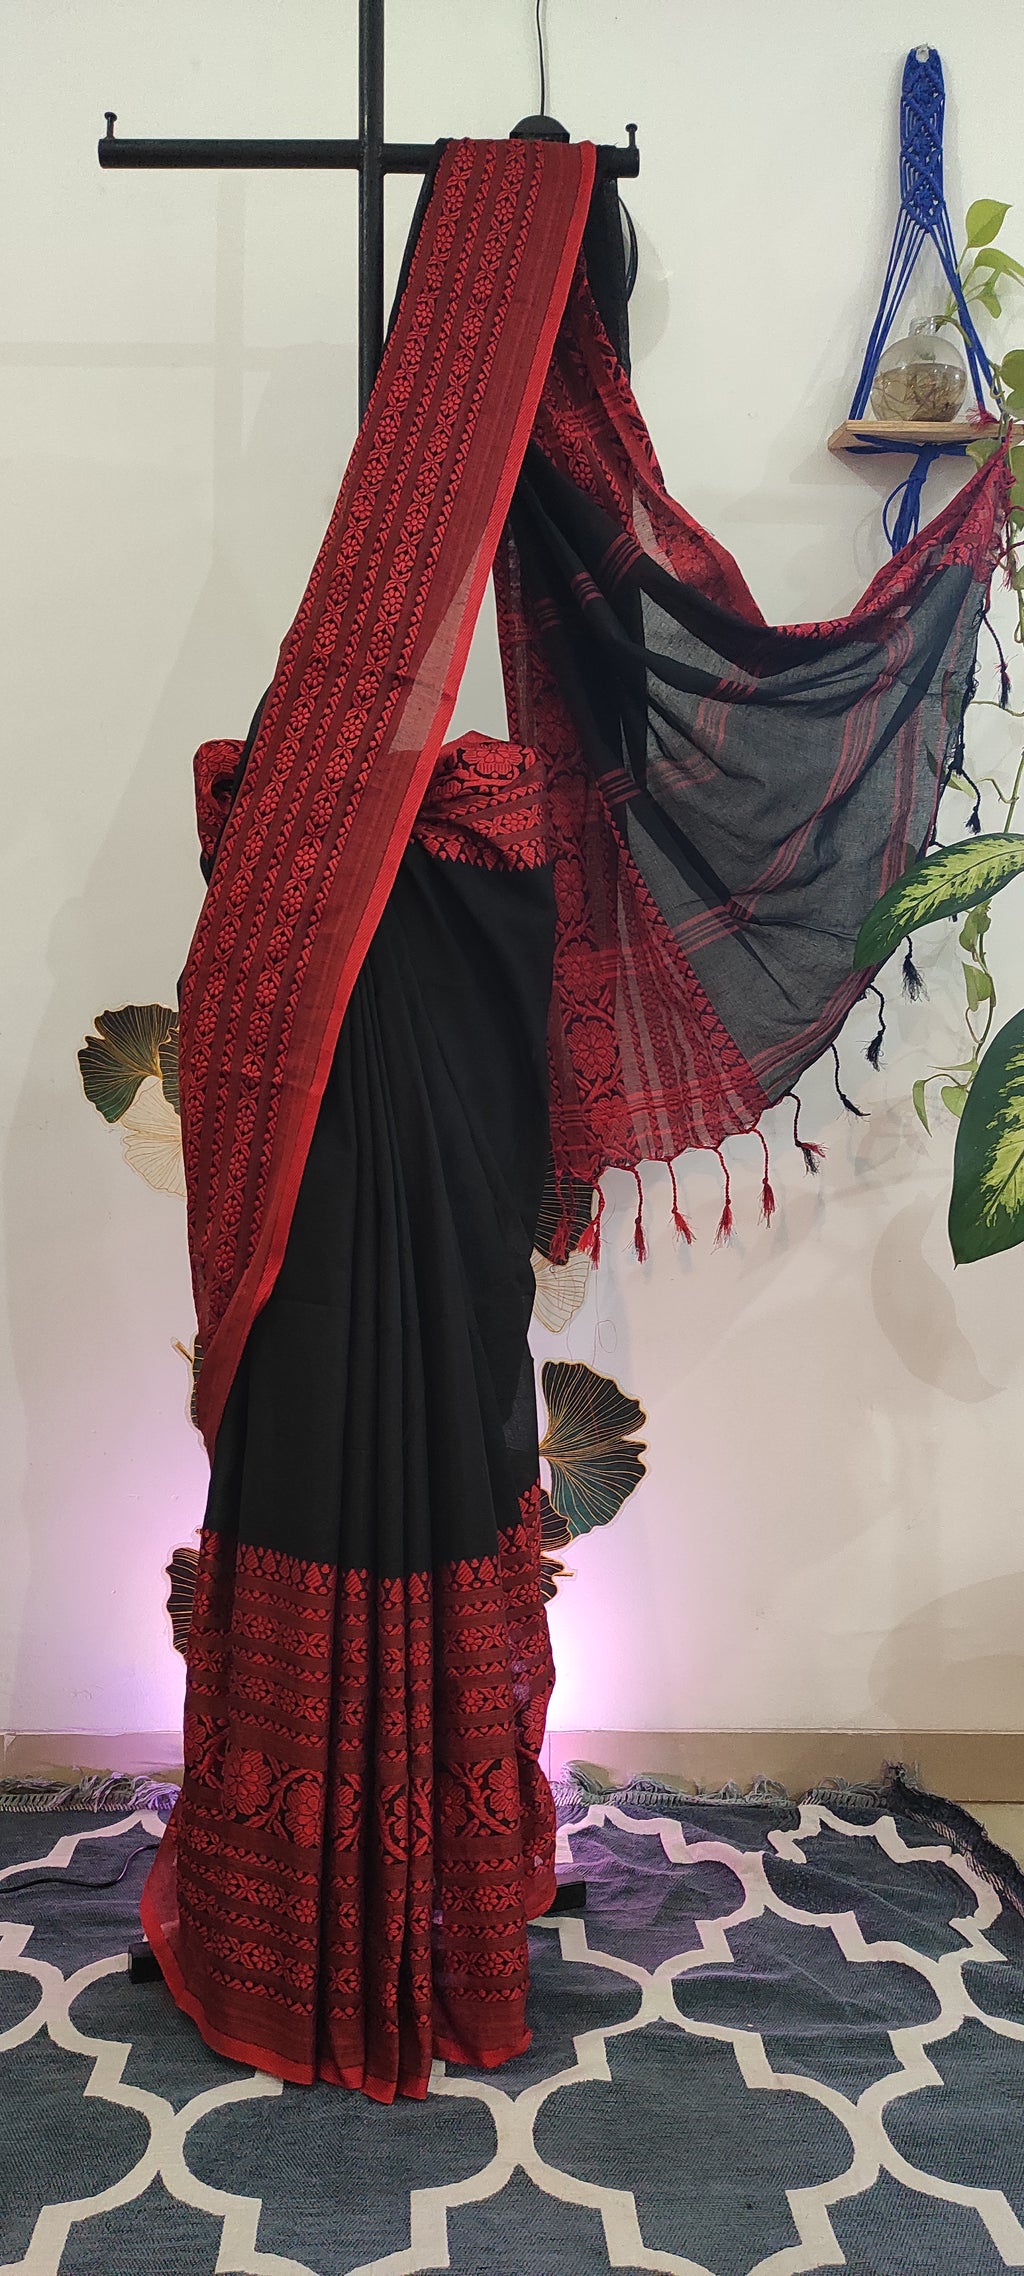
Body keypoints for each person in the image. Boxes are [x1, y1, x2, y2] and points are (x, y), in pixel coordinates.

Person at [140, 135, 1008, 2101]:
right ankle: (313, 1880)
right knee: (322, 1398)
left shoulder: (532, 647)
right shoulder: (340, 760)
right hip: (348, 994)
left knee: (446, 1399)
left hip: (438, 1039)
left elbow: (674, 671)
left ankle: (425, 1873)